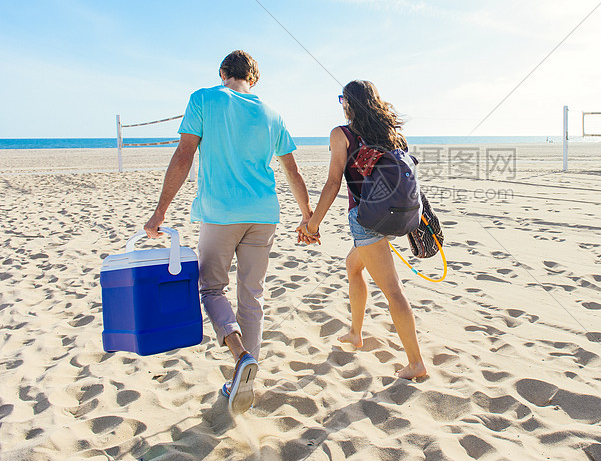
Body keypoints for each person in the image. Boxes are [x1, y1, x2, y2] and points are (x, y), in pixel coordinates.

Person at [144, 50, 318, 415]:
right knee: (252, 296)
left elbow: (184, 155)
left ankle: (240, 358)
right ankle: (247, 377)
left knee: (210, 288)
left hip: (222, 214)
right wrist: (308, 218)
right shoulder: (272, 113)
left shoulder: (204, 98)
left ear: (224, 72)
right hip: (264, 214)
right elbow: (293, 172)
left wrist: (160, 212)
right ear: (253, 79)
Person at [298, 80, 427, 379]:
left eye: (342, 99)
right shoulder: (394, 134)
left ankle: (416, 363)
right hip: (396, 216)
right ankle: (356, 333)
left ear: (348, 103)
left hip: (367, 220)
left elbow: (333, 183)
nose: (341, 104)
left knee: (393, 290)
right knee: (353, 267)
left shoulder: (342, 134)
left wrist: (313, 224)